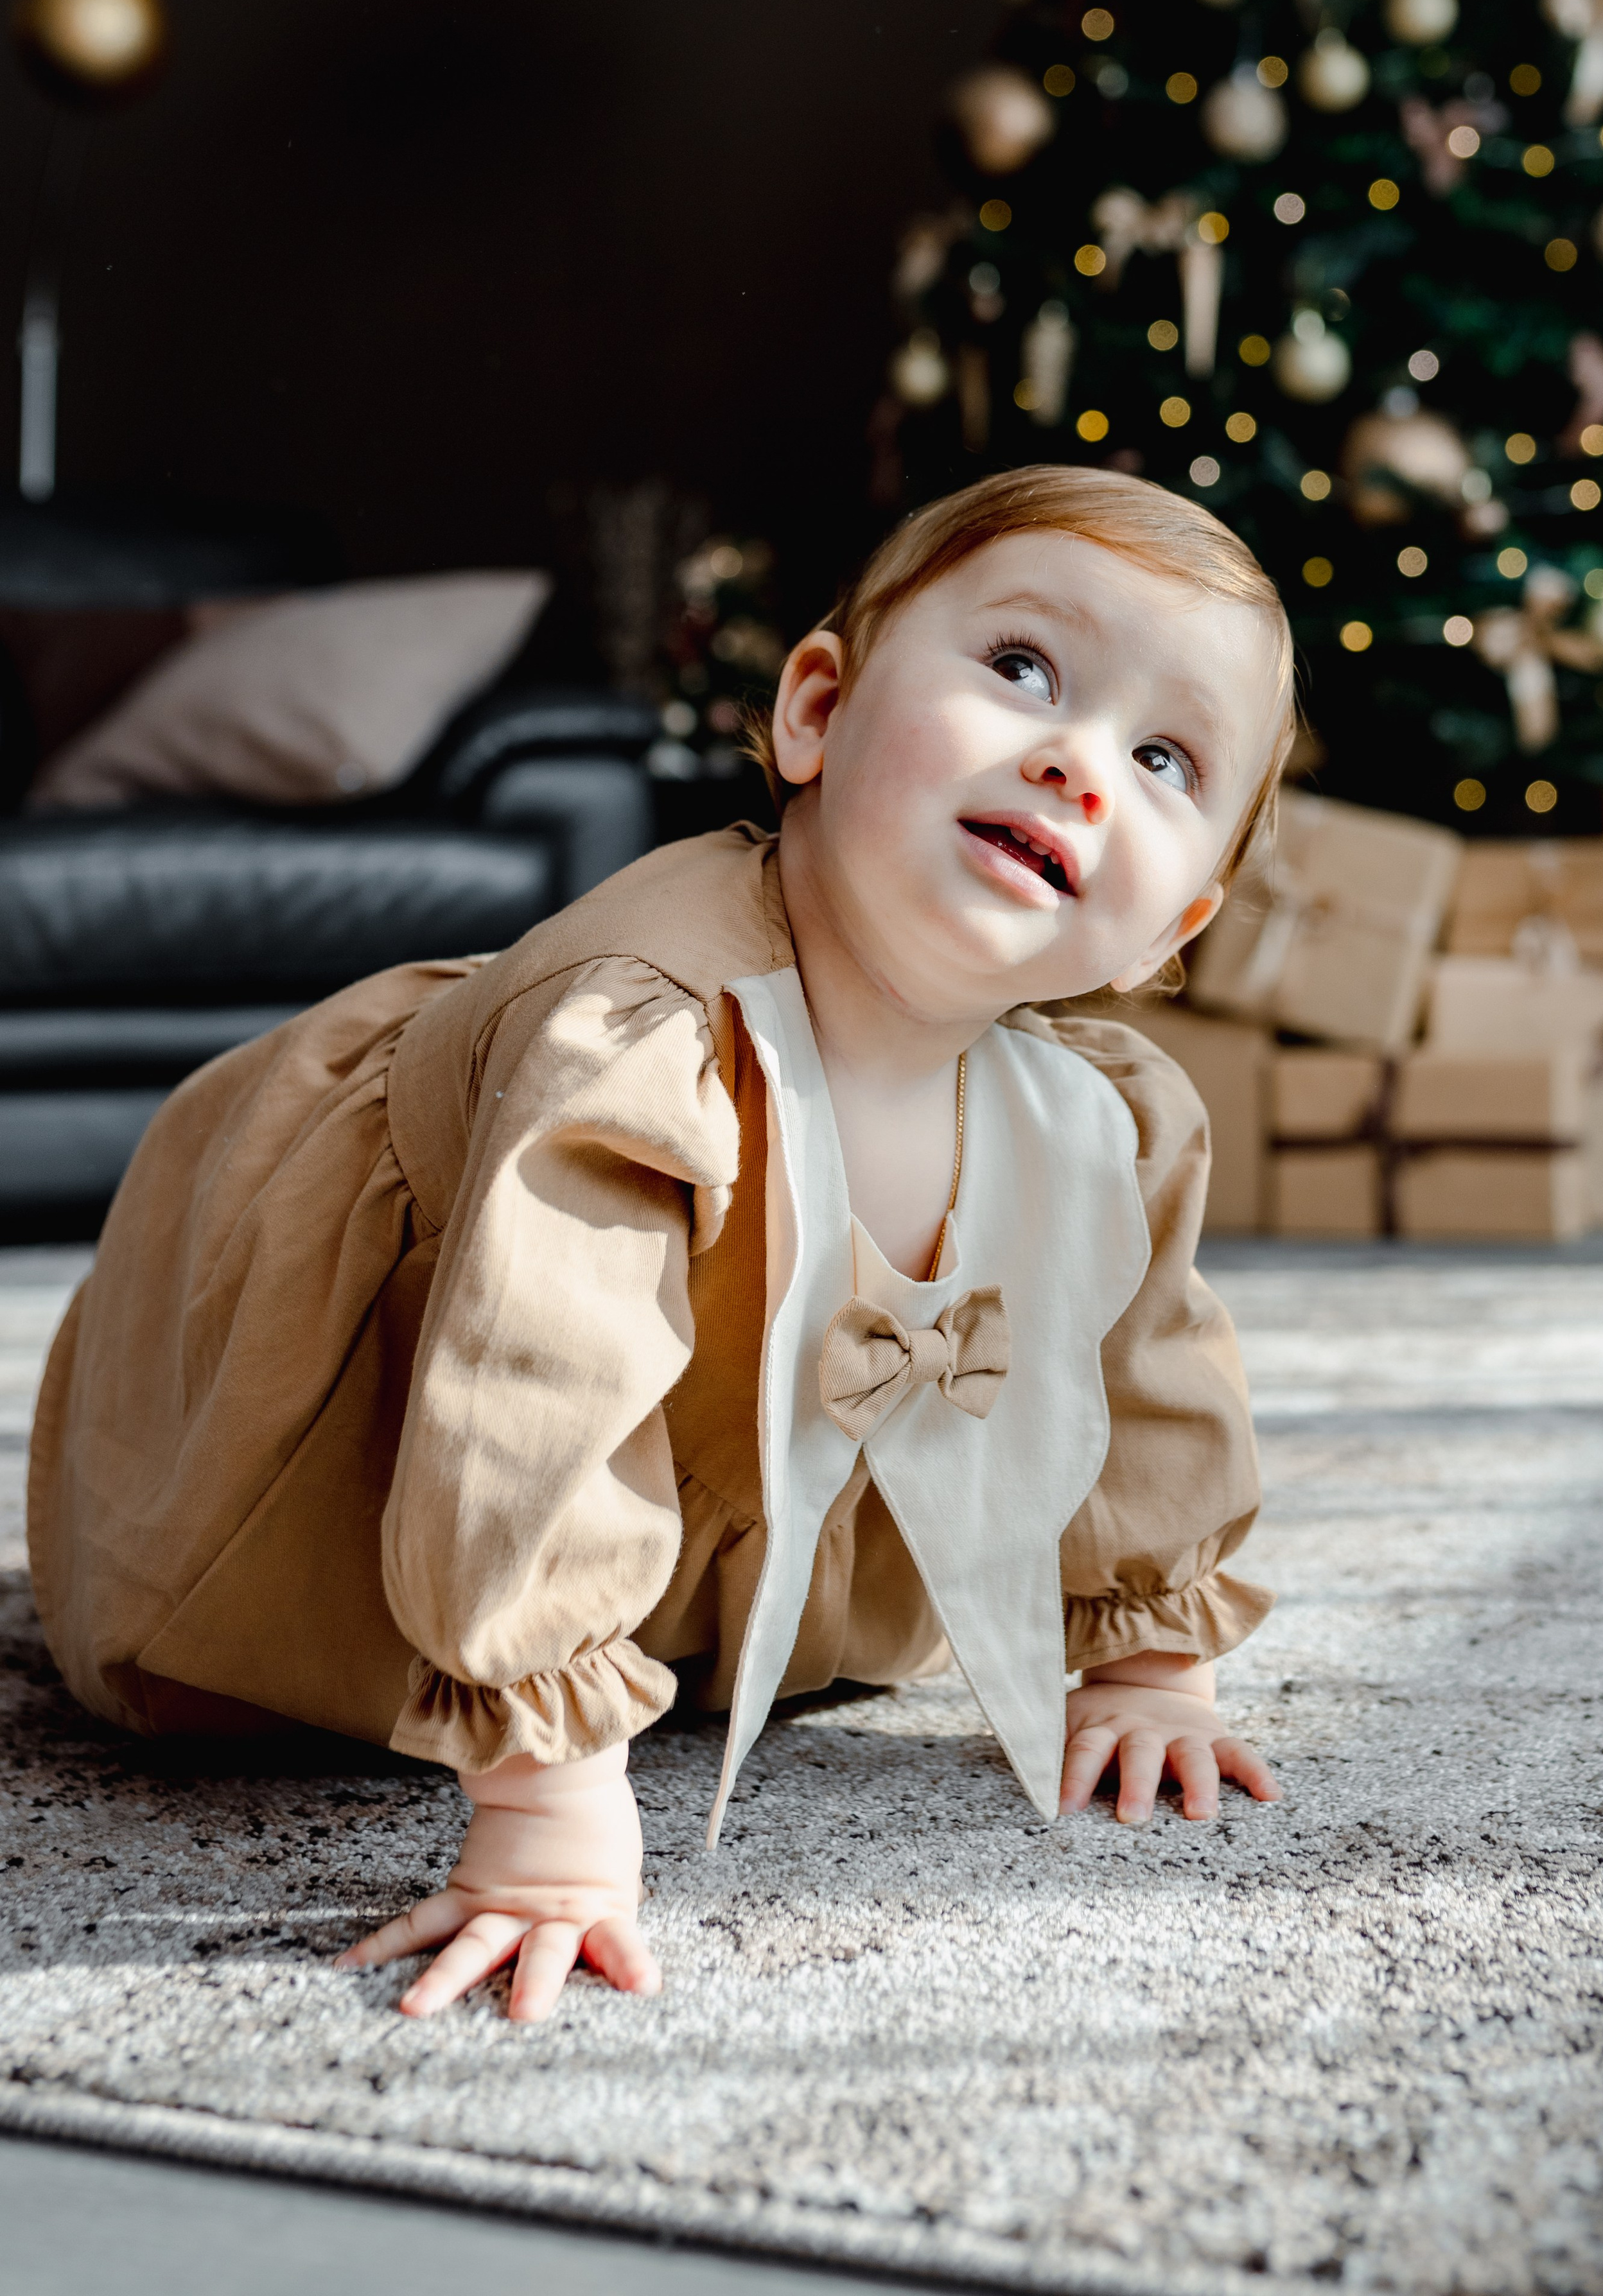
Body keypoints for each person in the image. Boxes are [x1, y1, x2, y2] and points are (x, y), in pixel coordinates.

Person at [29, 465, 1290, 2026]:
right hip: (377, 1427)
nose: (1072, 760)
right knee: (311, 1616)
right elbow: (530, 1390)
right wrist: (547, 1818)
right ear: (814, 712)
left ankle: (668, 1607)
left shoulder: (1106, 1122)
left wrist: (1144, 1658)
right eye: (1021, 668)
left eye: (1163, 756)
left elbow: (1143, 1381)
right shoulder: (637, 1045)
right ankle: (542, 1665)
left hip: (707, 1469)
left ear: (1176, 931)